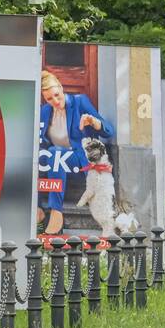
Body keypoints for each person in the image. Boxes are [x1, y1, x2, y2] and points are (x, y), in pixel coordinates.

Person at [38, 70, 113, 236]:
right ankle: (37, 209)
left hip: (80, 163)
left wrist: (95, 123)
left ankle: (56, 213)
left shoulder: (80, 102)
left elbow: (110, 131)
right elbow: (41, 141)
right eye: (49, 98)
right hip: (56, 165)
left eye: (57, 95)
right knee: (43, 154)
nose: (55, 101)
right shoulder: (44, 112)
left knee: (55, 152)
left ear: (61, 87)